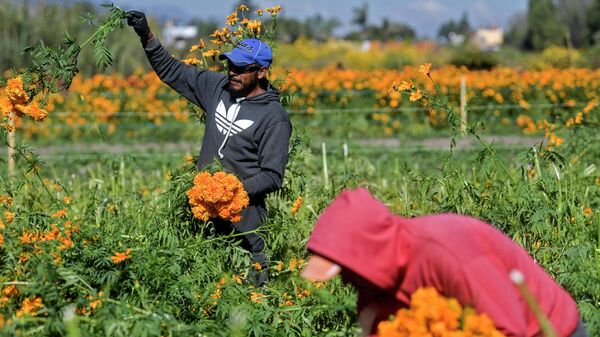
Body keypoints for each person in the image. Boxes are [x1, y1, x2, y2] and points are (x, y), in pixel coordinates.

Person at [127, 11, 292, 286]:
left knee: (248, 303)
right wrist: (146, 35)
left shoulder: (274, 118)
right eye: (230, 65)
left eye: (241, 68)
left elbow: (273, 175)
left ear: (261, 72)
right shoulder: (218, 88)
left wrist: (233, 190)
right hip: (203, 224)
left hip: (244, 228)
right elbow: (172, 71)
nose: (233, 72)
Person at [301, 188, 587, 337]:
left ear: (371, 252)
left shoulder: (448, 252)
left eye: (347, 270)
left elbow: (508, 329)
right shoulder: (374, 285)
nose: (347, 281)